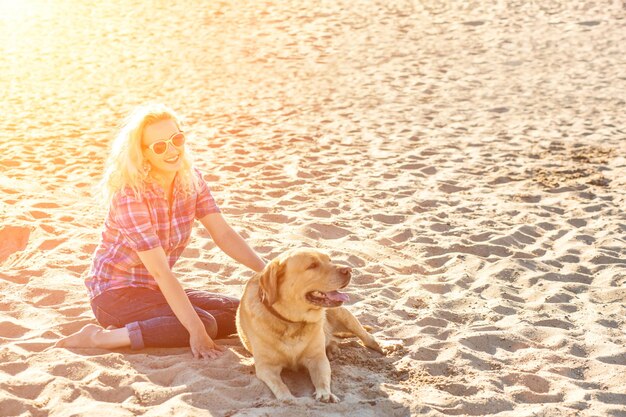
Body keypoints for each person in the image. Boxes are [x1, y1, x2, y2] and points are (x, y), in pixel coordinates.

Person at [55, 103, 266, 359]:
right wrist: (196, 329)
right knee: (203, 324)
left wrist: (269, 272)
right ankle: (101, 337)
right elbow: (160, 271)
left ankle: (145, 327)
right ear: (143, 153)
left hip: (154, 290)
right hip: (114, 294)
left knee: (240, 312)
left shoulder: (191, 179)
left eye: (176, 139)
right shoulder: (130, 194)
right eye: (159, 146)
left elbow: (223, 234)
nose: (172, 150)